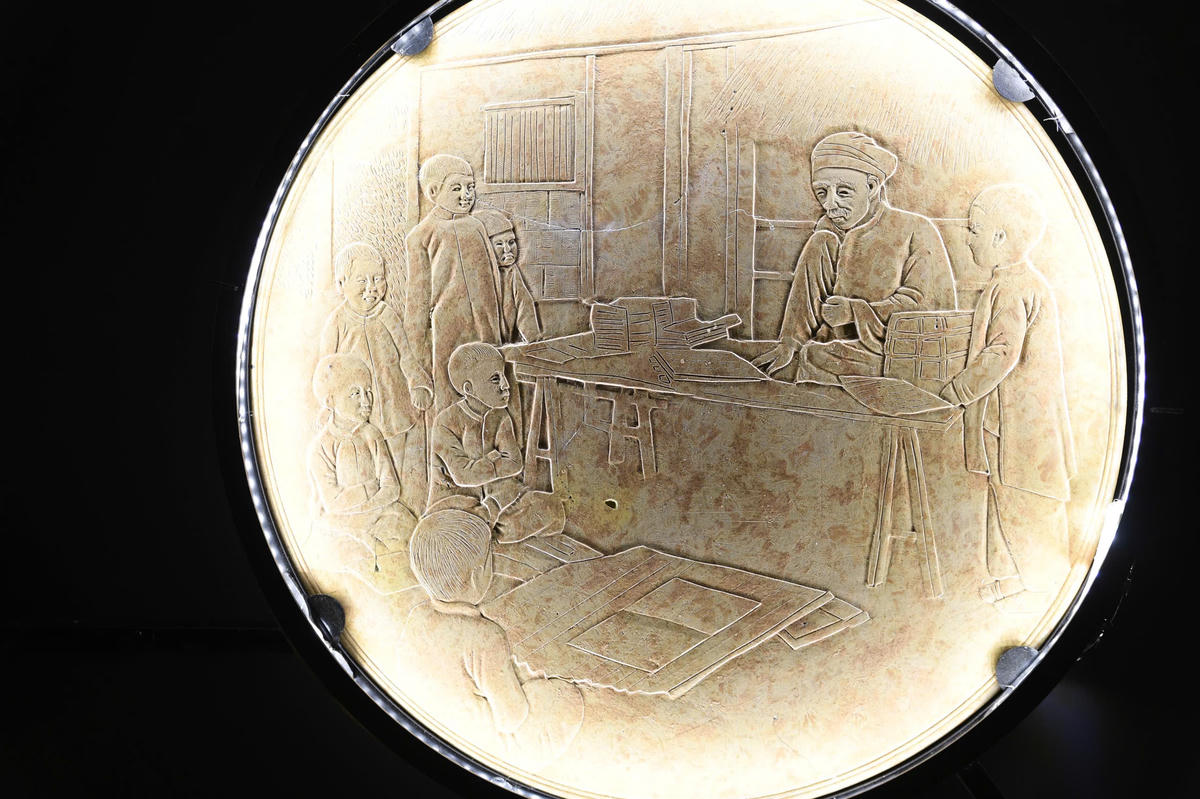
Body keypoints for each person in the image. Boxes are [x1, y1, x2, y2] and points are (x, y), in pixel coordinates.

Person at [938, 184, 1076, 613]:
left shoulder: (1015, 287)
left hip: (1022, 428)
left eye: (974, 230)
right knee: (1006, 497)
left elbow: (1001, 353)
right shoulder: (1009, 282)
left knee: (1025, 500)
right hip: (1011, 424)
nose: (967, 238)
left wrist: (956, 391)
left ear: (1000, 236)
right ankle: (1015, 578)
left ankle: (1041, 588)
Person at [754, 131, 956, 384]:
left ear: (871, 186)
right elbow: (806, 298)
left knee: (822, 358)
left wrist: (856, 312)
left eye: (843, 192)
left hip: (893, 355)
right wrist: (789, 344)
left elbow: (928, 308)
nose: (830, 204)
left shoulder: (915, 229)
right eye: (822, 192)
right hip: (830, 351)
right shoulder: (826, 235)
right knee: (814, 356)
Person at [400, 508, 584, 767]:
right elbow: (511, 717)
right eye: (489, 561)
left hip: (428, 723)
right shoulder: (486, 636)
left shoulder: (417, 616)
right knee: (565, 697)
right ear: (478, 576)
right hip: (476, 745)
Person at [319, 242, 431, 513]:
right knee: (370, 472)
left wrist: (418, 384)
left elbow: (406, 356)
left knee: (401, 472)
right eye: (362, 280)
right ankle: (373, 515)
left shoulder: (387, 315)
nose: (372, 288)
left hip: (395, 410)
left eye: (377, 279)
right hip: (359, 415)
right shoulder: (337, 322)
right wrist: (326, 407)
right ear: (342, 284)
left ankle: (407, 514)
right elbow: (326, 372)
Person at [428, 342, 565, 543]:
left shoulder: (500, 416)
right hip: (461, 507)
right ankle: (480, 533)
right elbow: (464, 476)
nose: (506, 385)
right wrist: (495, 458)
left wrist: (492, 498)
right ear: (469, 389)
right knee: (459, 533)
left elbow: (514, 464)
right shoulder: (445, 422)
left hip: (500, 501)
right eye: (495, 379)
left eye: (503, 376)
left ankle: (488, 531)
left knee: (551, 509)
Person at [306, 353, 417, 584]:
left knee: (410, 535)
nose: (366, 401)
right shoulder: (320, 448)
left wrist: (371, 508)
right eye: (355, 393)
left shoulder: (371, 434)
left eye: (368, 391)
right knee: (362, 557)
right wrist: (369, 491)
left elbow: (392, 488)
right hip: (341, 523)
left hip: (380, 513)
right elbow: (332, 504)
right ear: (331, 401)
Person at [473, 207, 541, 345]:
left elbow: (524, 306)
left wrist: (535, 342)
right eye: (499, 244)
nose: (507, 249)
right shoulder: (473, 274)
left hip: (505, 345)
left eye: (511, 242)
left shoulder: (511, 271)